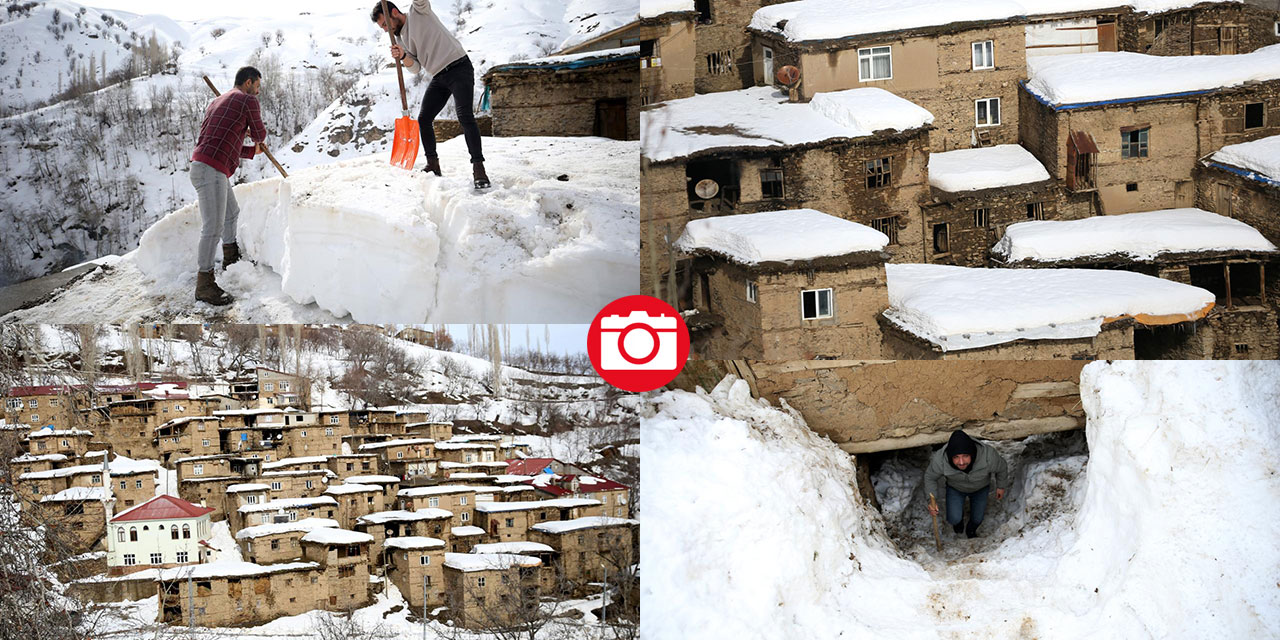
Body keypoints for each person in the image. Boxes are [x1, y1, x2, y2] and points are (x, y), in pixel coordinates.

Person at [371, 0, 490, 189]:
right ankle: (433, 164)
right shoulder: (400, 40)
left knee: (465, 116)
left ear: (393, 12)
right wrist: (403, 56)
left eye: (385, 24)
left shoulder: (419, 11)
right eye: (382, 27)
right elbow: (415, 68)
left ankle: (479, 168)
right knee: (424, 119)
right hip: (439, 76)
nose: (386, 30)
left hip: (459, 67)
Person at [189, 66, 267, 306]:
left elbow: (224, 142)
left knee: (231, 213)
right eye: (257, 86)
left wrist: (251, 152)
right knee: (213, 227)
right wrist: (257, 140)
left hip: (206, 165)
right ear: (248, 82)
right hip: (211, 169)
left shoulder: (217, 101)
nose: (258, 92)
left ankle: (230, 258)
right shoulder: (247, 100)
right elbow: (260, 134)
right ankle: (204, 284)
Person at [924, 430, 1010, 539]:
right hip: (956, 488)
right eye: (956, 457)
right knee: (953, 518)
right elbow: (930, 477)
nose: (961, 462)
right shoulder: (940, 460)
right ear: (950, 456)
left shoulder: (988, 456)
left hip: (980, 488)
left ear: (972, 454)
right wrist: (931, 500)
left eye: (965, 456)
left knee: (977, 519)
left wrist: (1001, 486)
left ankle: (971, 529)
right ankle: (958, 523)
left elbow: (1002, 467)